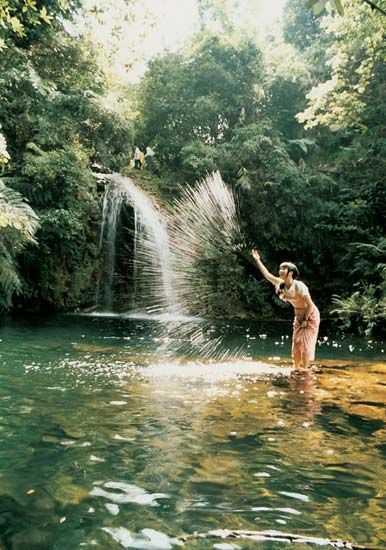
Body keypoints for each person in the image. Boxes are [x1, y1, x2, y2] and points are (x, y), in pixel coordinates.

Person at [251, 250, 320, 369]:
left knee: (305, 343)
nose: (280, 271)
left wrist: (306, 319)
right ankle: (296, 368)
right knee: (297, 342)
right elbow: (267, 275)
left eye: (284, 268)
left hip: (311, 314)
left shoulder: (299, 286)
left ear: (291, 273)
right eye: (280, 268)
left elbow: (309, 304)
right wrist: (257, 260)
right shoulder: (280, 283)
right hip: (298, 314)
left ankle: (305, 369)